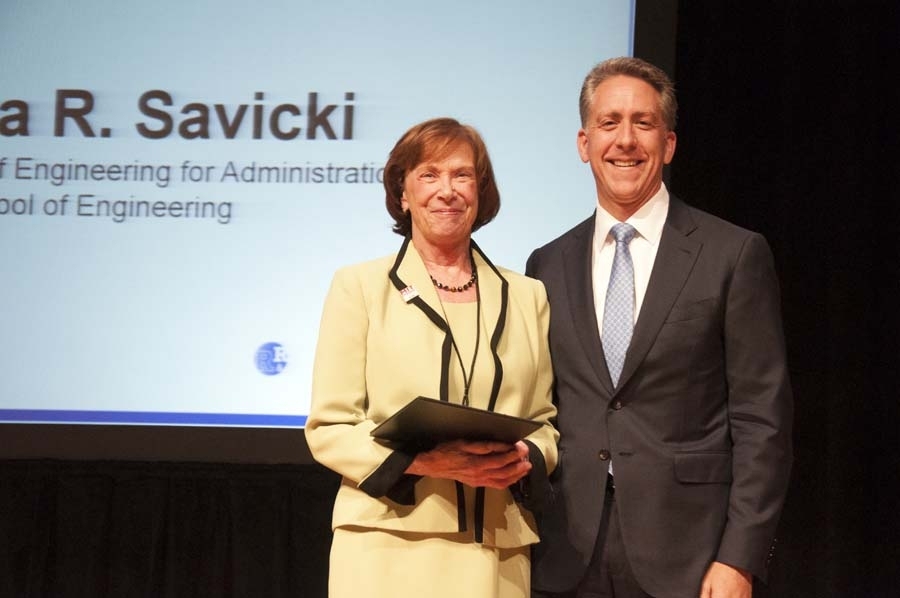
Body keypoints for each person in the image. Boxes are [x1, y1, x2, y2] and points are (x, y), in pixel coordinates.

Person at [526, 57, 793, 598]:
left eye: (643, 123)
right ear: (584, 144)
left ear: (668, 144)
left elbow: (762, 419)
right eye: (609, 123)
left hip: (690, 558)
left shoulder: (732, 254)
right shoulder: (546, 263)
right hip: (565, 554)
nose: (625, 140)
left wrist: (739, 558)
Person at [305, 117, 559, 598]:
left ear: (481, 192)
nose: (447, 190)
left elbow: (544, 423)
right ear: (403, 193)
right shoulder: (360, 288)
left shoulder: (528, 296)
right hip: (384, 545)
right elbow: (330, 428)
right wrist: (428, 462)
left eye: (462, 175)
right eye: (429, 174)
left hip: (496, 549)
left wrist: (525, 457)